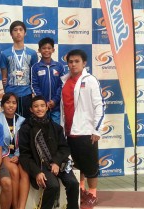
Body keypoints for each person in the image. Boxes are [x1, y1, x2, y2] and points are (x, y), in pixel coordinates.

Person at [61, 49, 105, 208]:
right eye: (70, 62)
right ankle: (82, 190)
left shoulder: (90, 80)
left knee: (90, 165)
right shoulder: (65, 80)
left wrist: (96, 130)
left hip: (86, 131)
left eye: (76, 61)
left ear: (84, 63)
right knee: (77, 164)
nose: (73, 64)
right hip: (69, 131)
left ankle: (92, 193)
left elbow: (99, 105)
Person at [19, 95, 79, 209]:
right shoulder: (25, 129)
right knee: (53, 185)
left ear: (47, 107)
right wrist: (36, 172)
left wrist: (56, 162)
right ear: (31, 109)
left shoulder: (56, 127)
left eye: (42, 106)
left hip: (59, 163)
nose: (39, 109)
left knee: (73, 183)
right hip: (41, 165)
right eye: (36, 106)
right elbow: (24, 156)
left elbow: (64, 148)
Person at [0, 92, 29, 209]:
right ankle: (14, 206)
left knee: (24, 173)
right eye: (8, 102)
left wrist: (18, 155)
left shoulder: (22, 120)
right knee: (14, 171)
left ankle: (20, 206)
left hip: (18, 154)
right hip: (3, 153)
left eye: (14, 103)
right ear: (2, 104)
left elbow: (23, 141)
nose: (11, 105)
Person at [0, 20, 38, 119]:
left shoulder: (32, 53)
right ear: (11, 34)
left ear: (25, 33)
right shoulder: (5, 54)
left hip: (27, 94)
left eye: (21, 30)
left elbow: (34, 76)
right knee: (11, 121)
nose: (18, 32)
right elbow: (4, 76)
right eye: (15, 30)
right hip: (11, 94)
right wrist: (7, 92)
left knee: (27, 122)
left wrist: (33, 93)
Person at [31, 37, 65, 124]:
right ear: (39, 50)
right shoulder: (35, 67)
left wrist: (55, 100)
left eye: (49, 48)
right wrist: (43, 102)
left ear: (53, 50)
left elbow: (62, 85)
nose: (46, 50)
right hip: (41, 108)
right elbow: (34, 85)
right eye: (44, 48)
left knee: (55, 131)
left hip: (56, 107)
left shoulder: (59, 66)